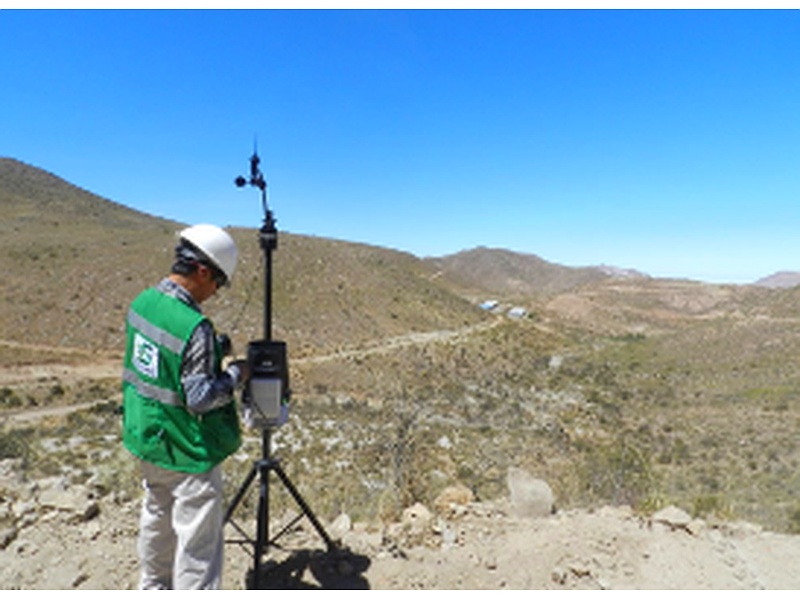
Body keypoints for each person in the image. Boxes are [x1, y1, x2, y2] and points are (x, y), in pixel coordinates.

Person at [121, 224, 248, 590]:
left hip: (148, 438)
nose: (215, 293)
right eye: (218, 283)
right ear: (204, 271)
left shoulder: (141, 303)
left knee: (157, 518)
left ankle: (154, 589)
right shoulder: (195, 327)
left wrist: (207, 358)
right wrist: (235, 374)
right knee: (198, 544)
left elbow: (158, 367)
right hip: (186, 450)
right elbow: (200, 399)